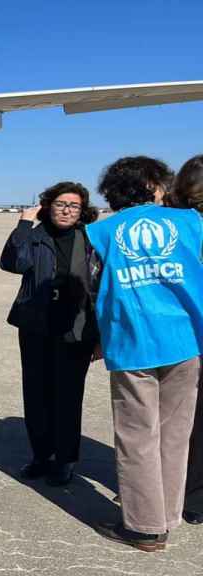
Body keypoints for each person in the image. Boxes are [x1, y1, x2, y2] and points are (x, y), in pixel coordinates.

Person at [86, 156, 203, 552]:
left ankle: (144, 527)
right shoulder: (191, 222)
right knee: (174, 434)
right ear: (154, 183)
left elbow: (92, 287)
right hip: (185, 339)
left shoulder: (100, 233)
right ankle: (168, 514)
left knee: (137, 436)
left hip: (133, 341)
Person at [0, 182, 100, 486]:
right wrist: (24, 222)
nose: (66, 210)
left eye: (73, 206)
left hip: (77, 328)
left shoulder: (91, 239)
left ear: (82, 211)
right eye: (60, 204)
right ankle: (41, 455)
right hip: (36, 325)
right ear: (48, 205)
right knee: (37, 393)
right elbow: (13, 263)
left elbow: (100, 289)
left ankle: (65, 459)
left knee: (68, 396)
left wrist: (99, 337)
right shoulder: (35, 235)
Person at [157, 154, 203, 527]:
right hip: (188, 329)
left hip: (180, 329)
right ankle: (190, 493)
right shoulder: (184, 225)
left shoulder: (171, 224)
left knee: (174, 415)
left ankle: (176, 490)